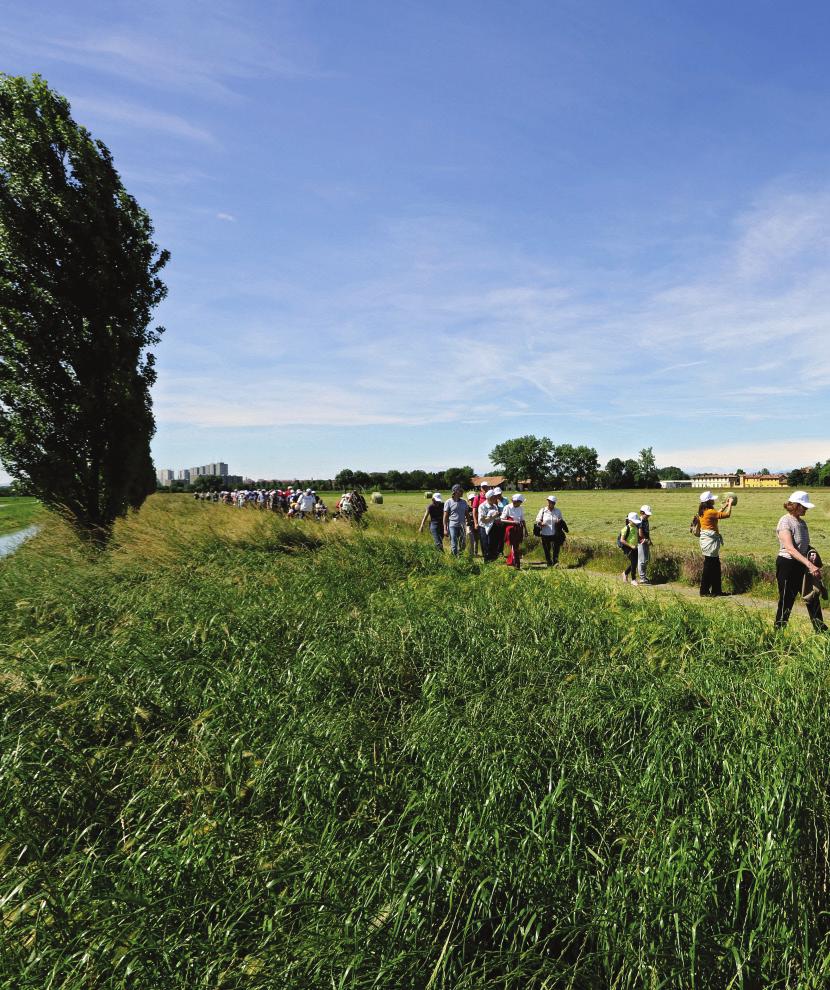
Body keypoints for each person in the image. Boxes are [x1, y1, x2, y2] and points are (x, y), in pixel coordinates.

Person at [774, 491, 827, 632]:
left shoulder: (802, 523)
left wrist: (812, 553)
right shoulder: (785, 521)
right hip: (787, 565)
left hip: (802, 564)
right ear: (795, 505)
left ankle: (821, 631)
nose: (806, 509)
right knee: (787, 601)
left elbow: (804, 545)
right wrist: (810, 565)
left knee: (812, 597)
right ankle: (778, 632)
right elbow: (790, 549)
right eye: (804, 506)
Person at [694, 490, 734, 596]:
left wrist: (725, 505)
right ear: (709, 501)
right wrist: (730, 504)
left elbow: (717, 514)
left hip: (706, 541)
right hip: (710, 542)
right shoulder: (710, 512)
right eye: (712, 499)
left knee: (714, 566)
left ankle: (716, 590)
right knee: (710, 567)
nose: (713, 500)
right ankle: (704, 591)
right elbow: (726, 515)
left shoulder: (703, 510)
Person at [535, 495, 569, 567]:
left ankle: (555, 562)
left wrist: (559, 521)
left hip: (556, 533)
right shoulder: (543, 510)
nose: (550, 503)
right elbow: (537, 519)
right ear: (547, 501)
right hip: (545, 533)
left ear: (554, 503)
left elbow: (561, 520)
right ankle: (549, 562)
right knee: (547, 549)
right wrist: (541, 523)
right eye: (549, 502)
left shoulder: (558, 511)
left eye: (552, 502)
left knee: (556, 549)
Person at [501, 494, 528, 569]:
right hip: (511, 528)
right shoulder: (507, 507)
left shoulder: (521, 508)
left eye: (520, 502)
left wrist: (525, 530)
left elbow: (522, 519)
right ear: (514, 501)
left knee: (516, 546)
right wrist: (513, 522)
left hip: (518, 529)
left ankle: (514, 561)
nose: (520, 504)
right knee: (513, 546)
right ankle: (516, 563)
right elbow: (502, 519)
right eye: (518, 502)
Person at [443, 484, 469, 555]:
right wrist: (445, 529)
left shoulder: (464, 502)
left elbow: (467, 514)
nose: (462, 492)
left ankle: (460, 557)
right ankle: (454, 559)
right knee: (454, 544)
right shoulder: (448, 502)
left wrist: (469, 523)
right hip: (452, 525)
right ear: (455, 491)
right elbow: (445, 517)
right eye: (460, 491)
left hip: (462, 525)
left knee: (463, 544)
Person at [477, 489, 502, 562]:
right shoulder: (482, 506)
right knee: (485, 545)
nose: (496, 499)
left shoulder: (495, 506)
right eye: (494, 497)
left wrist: (498, 519)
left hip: (493, 527)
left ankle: (492, 561)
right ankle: (487, 562)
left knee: (493, 545)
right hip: (484, 528)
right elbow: (483, 520)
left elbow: (495, 518)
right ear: (489, 498)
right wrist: (494, 516)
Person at [618, 511, 641, 585]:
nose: (635, 523)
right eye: (634, 521)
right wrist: (631, 546)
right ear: (629, 520)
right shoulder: (625, 529)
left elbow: (636, 537)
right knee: (634, 563)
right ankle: (633, 580)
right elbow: (622, 540)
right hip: (628, 548)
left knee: (635, 562)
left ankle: (625, 573)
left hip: (635, 547)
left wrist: (640, 541)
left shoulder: (635, 527)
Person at [468, 482, 489, 557]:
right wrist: (476, 523)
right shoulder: (478, 498)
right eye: (483, 487)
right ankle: (484, 555)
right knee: (481, 539)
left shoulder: (490, 497)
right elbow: (474, 511)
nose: (485, 489)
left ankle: (489, 555)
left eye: (486, 487)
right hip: (481, 523)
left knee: (489, 539)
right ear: (481, 488)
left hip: (489, 522)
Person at [637, 504, 653, 584]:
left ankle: (644, 576)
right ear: (642, 512)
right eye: (647, 514)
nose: (648, 516)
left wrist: (649, 540)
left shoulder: (646, 520)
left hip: (646, 541)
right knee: (642, 560)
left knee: (646, 559)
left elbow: (647, 532)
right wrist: (646, 540)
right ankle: (642, 578)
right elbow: (640, 533)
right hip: (641, 542)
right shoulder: (640, 520)